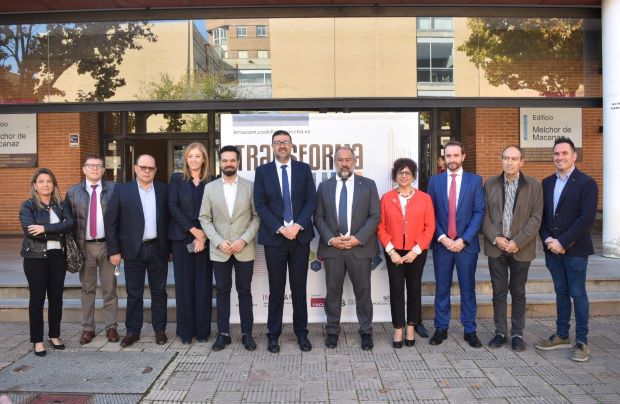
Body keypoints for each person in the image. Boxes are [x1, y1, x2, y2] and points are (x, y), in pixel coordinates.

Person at [253, 130, 317, 353]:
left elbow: (311, 200)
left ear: (292, 146)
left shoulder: (303, 169)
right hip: (274, 239)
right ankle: (273, 335)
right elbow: (260, 204)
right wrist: (281, 228)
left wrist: (297, 226)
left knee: (299, 288)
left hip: (300, 237)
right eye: (278, 142)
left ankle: (301, 334)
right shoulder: (262, 171)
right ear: (272, 146)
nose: (282, 145)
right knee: (276, 289)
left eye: (285, 142)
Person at [535, 136, 598, 362]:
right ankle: (562, 334)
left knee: (578, 294)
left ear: (574, 156)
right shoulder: (547, 183)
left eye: (564, 153)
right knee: (561, 292)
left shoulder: (587, 183)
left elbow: (586, 218)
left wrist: (563, 241)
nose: (560, 157)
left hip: (576, 251)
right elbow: (541, 217)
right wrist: (548, 240)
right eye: (556, 154)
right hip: (552, 250)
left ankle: (582, 340)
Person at [314, 146, 380, 351]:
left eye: (348, 159)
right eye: (340, 160)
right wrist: (331, 239)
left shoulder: (368, 185)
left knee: (363, 292)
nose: (344, 163)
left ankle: (366, 331)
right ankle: (332, 330)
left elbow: (375, 216)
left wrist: (357, 239)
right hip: (333, 249)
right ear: (335, 162)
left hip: (359, 248)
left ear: (354, 161)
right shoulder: (324, 187)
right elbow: (318, 217)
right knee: (333, 292)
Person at [199, 145, 260, 352]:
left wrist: (244, 239)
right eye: (224, 160)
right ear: (220, 163)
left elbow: (256, 217)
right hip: (220, 250)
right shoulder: (210, 188)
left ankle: (247, 334)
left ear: (238, 162)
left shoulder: (250, 187)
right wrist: (218, 241)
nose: (228, 164)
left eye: (232, 160)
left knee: (245, 291)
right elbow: (204, 218)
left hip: (244, 248)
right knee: (223, 291)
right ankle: (223, 334)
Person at [105, 154, 170, 348]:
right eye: (143, 167)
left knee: (159, 292)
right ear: (136, 168)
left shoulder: (163, 190)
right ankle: (133, 331)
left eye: (151, 168)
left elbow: (169, 221)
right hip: (133, 250)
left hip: (158, 248)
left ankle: (160, 330)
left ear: (155, 170)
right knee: (134, 293)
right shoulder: (122, 190)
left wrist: (170, 249)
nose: (147, 171)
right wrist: (114, 250)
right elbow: (111, 222)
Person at [482, 145, 543, 352]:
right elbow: (484, 215)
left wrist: (517, 241)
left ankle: (517, 333)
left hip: (521, 248)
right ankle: (500, 332)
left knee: (518, 292)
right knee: (498, 292)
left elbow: (536, 218)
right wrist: (495, 238)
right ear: (501, 160)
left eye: (514, 159)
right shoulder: (490, 183)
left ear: (521, 162)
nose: (509, 162)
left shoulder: (534, 185)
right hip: (496, 247)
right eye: (506, 158)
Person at [427, 140, 485, 348]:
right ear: (444, 158)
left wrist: (464, 239)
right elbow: (430, 212)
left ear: (463, 157)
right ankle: (441, 328)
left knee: (467, 288)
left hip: (466, 246)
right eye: (448, 156)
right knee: (441, 288)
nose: (452, 160)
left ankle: (470, 329)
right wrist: (442, 237)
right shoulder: (435, 181)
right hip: (442, 245)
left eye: (455, 156)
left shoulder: (475, 181)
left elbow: (479, 211)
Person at [377, 158, 435, 348]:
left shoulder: (424, 198)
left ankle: (411, 326)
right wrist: (391, 251)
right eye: (400, 172)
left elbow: (430, 227)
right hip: (394, 251)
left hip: (416, 251)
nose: (404, 176)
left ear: (414, 176)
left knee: (414, 289)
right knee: (396, 289)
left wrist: (416, 250)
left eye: (408, 173)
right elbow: (381, 227)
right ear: (395, 176)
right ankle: (398, 328)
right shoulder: (386, 198)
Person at [19, 168, 75, 357]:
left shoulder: (60, 204)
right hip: (35, 258)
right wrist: (56, 230)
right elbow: (30, 231)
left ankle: (54, 335)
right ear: (35, 185)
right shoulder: (28, 206)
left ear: (54, 184)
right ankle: (37, 340)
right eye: (41, 181)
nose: (45, 185)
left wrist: (44, 228)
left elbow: (70, 225)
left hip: (57, 257)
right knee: (37, 300)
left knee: (56, 298)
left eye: (49, 181)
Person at [66, 155, 119, 345]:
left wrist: (117, 249)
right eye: (91, 166)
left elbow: (119, 220)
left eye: (99, 166)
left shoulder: (114, 189)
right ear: (84, 169)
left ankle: (111, 327)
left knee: (109, 289)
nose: (95, 169)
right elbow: (69, 222)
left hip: (107, 246)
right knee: (87, 290)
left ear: (104, 170)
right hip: (84, 247)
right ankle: (88, 329)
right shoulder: (73, 193)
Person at [168, 142, 213, 344]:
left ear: (204, 159)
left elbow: (215, 210)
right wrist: (194, 231)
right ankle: (186, 332)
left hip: (206, 238)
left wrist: (203, 236)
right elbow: (173, 206)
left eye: (198, 156)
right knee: (184, 286)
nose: (194, 160)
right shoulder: (177, 179)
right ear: (185, 159)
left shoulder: (212, 181)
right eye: (190, 156)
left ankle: (203, 331)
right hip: (183, 238)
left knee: (203, 285)